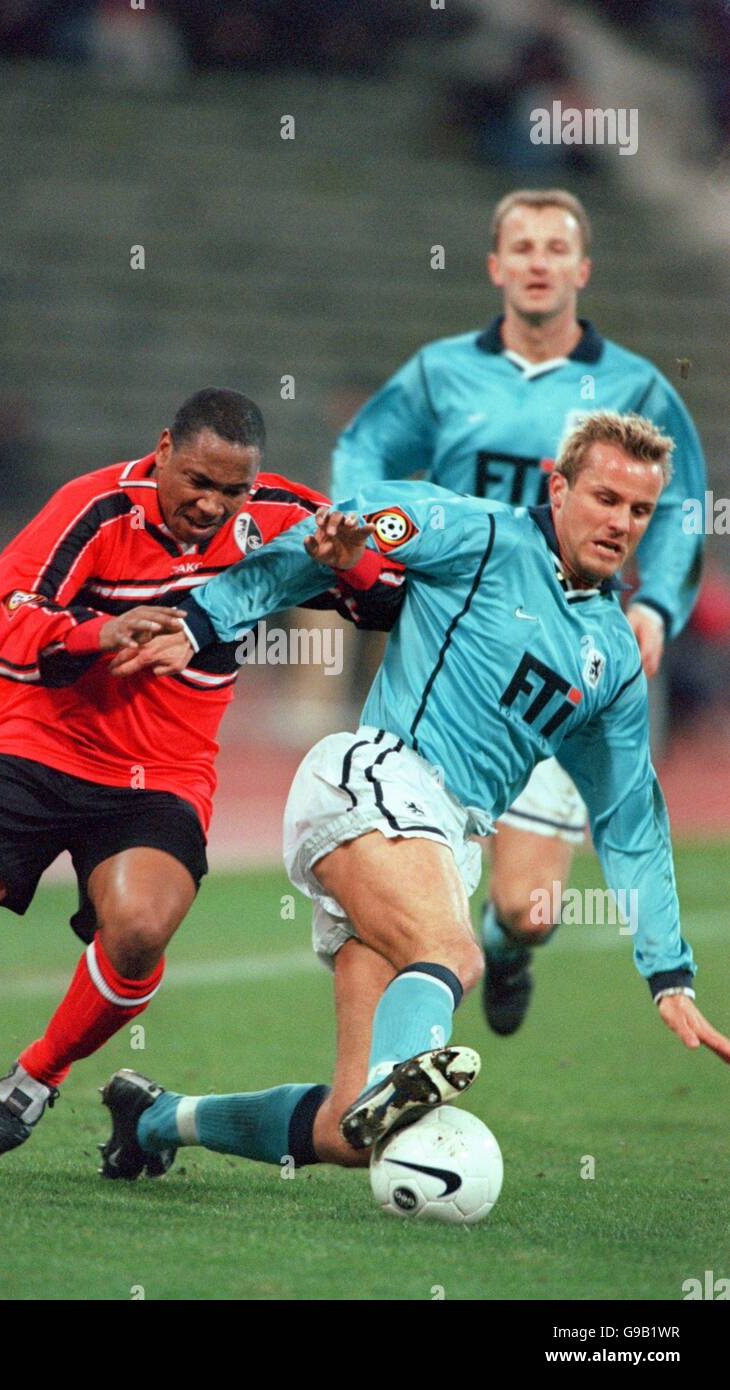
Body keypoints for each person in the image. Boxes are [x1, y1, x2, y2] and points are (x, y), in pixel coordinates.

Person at [96, 410, 729, 1182]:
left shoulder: (613, 657)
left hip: (446, 841)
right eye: (604, 498)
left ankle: (156, 1119)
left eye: (639, 510)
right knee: (451, 954)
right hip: (377, 778)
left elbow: (631, 814)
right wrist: (204, 620)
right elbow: (345, 529)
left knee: (349, 1131)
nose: (620, 522)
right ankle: (404, 1077)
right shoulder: (481, 533)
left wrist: (669, 973)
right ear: (558, 488)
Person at [0, 388, 402, 1159]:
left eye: (232, 490)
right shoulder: (95, 508)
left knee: (141, 928)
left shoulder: (286, 515)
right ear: (164, 447)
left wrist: (360, 572)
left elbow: (394, 599)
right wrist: (96, 631)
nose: (212, 505)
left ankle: (40, 1072)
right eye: (198, 483)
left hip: (162, 769)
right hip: (38, 746)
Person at [330, 187, 707, 1038]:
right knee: (418, 907)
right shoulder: (440, 372)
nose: (539, 261)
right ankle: (389, 1041)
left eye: (554, 247)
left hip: (559, 661)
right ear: (498, 266)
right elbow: (365, 448)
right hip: (455, 648)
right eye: (523, 246)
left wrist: (655, 609)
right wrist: (355, 534)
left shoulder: (636, 387)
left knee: (530, 910)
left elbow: (683, 504)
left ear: (581, 268)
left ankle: (502, 948)